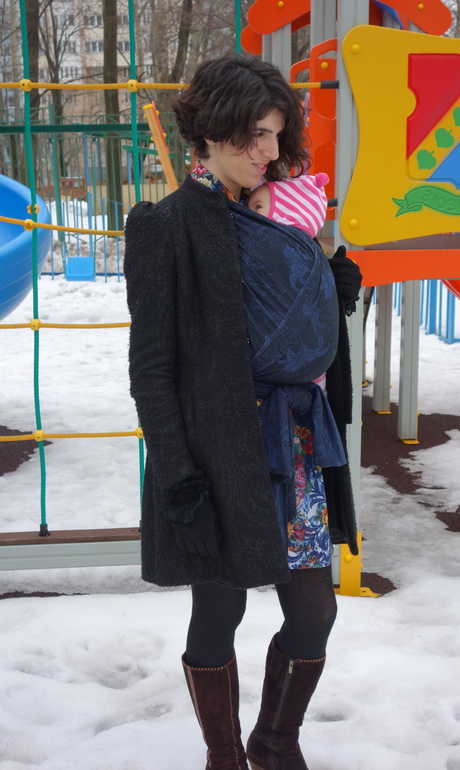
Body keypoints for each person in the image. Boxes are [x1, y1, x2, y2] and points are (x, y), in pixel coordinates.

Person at [124, 53, 362, 770]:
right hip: (217, 449)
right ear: (211, 130)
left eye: (275, 135)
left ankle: (275, 740)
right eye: (253, 134)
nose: (266, 151)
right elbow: (152, 368)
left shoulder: (282, 210)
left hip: (295, 439)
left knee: (315, 610)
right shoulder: (167, 227)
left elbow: (296, 332)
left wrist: (329, 290)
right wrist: (178, 476)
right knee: (219, 610)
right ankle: (224, 753)